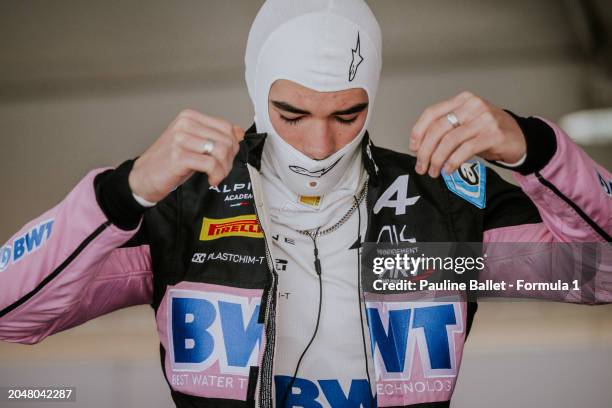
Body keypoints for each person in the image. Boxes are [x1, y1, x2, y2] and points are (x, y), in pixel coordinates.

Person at [0, 0, 610, 407]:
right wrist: (122, 192)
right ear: (255, 91)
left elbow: (601, 274)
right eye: (292, 114)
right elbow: (12, 313)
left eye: (348, 114)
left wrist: (538, 150)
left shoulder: (439, 206)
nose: (319, 144)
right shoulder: (183, 208)